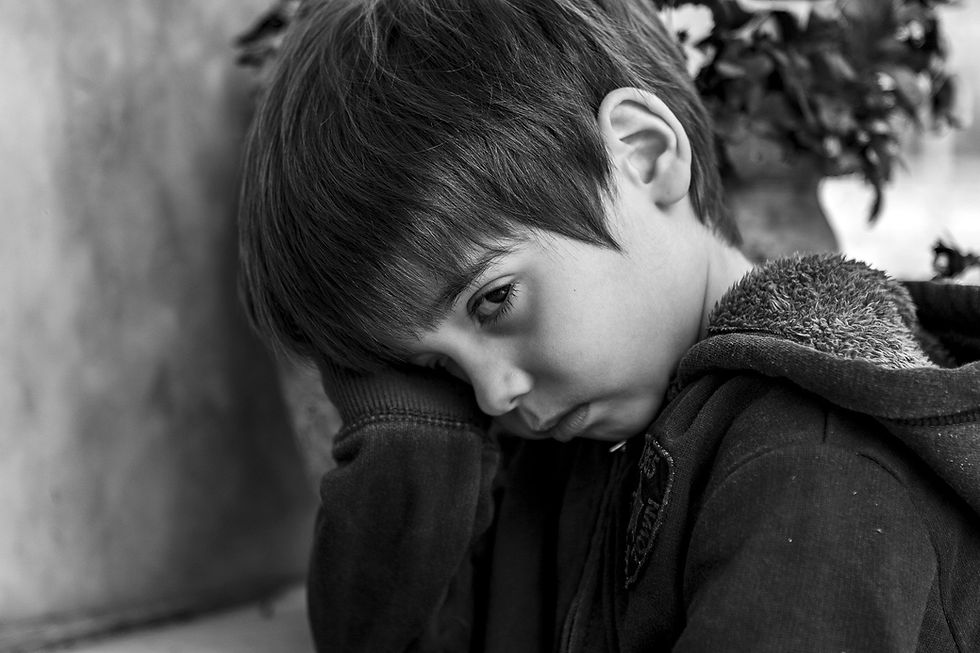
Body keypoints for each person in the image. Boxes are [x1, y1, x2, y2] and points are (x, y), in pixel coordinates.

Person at [236, 1, 980, 651]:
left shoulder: (816, 470)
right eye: (439, 371)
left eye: (493, 300)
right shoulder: (563, 449)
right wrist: (408, 431)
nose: (493, 394)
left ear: (644, 154)